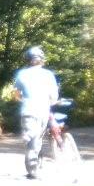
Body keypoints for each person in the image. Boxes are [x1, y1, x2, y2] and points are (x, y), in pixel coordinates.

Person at [13, 46, 59, 179]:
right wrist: (51, 102)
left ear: (28, 60)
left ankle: (32, 168)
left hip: (28, 110)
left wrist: (21, 100)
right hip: (43, 111)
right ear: (42, 59)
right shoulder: (48, 75)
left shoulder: (22, 74)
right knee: (36, 140)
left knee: (32, 141)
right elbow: (54, 96)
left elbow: (16, 94)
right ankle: (33, 170)